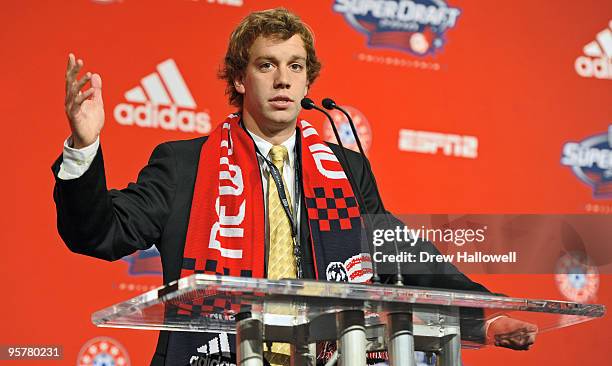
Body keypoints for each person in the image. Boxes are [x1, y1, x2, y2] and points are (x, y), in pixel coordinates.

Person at [54, 8, 536, 366]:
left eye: (296, 66)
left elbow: (400, 251)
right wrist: (84, 143)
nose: (283, 80)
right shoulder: (186, 165)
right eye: (266, 66)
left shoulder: (345, 170)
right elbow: (98, 233)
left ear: (308, 80)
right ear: (240, 78)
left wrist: (487, 314)